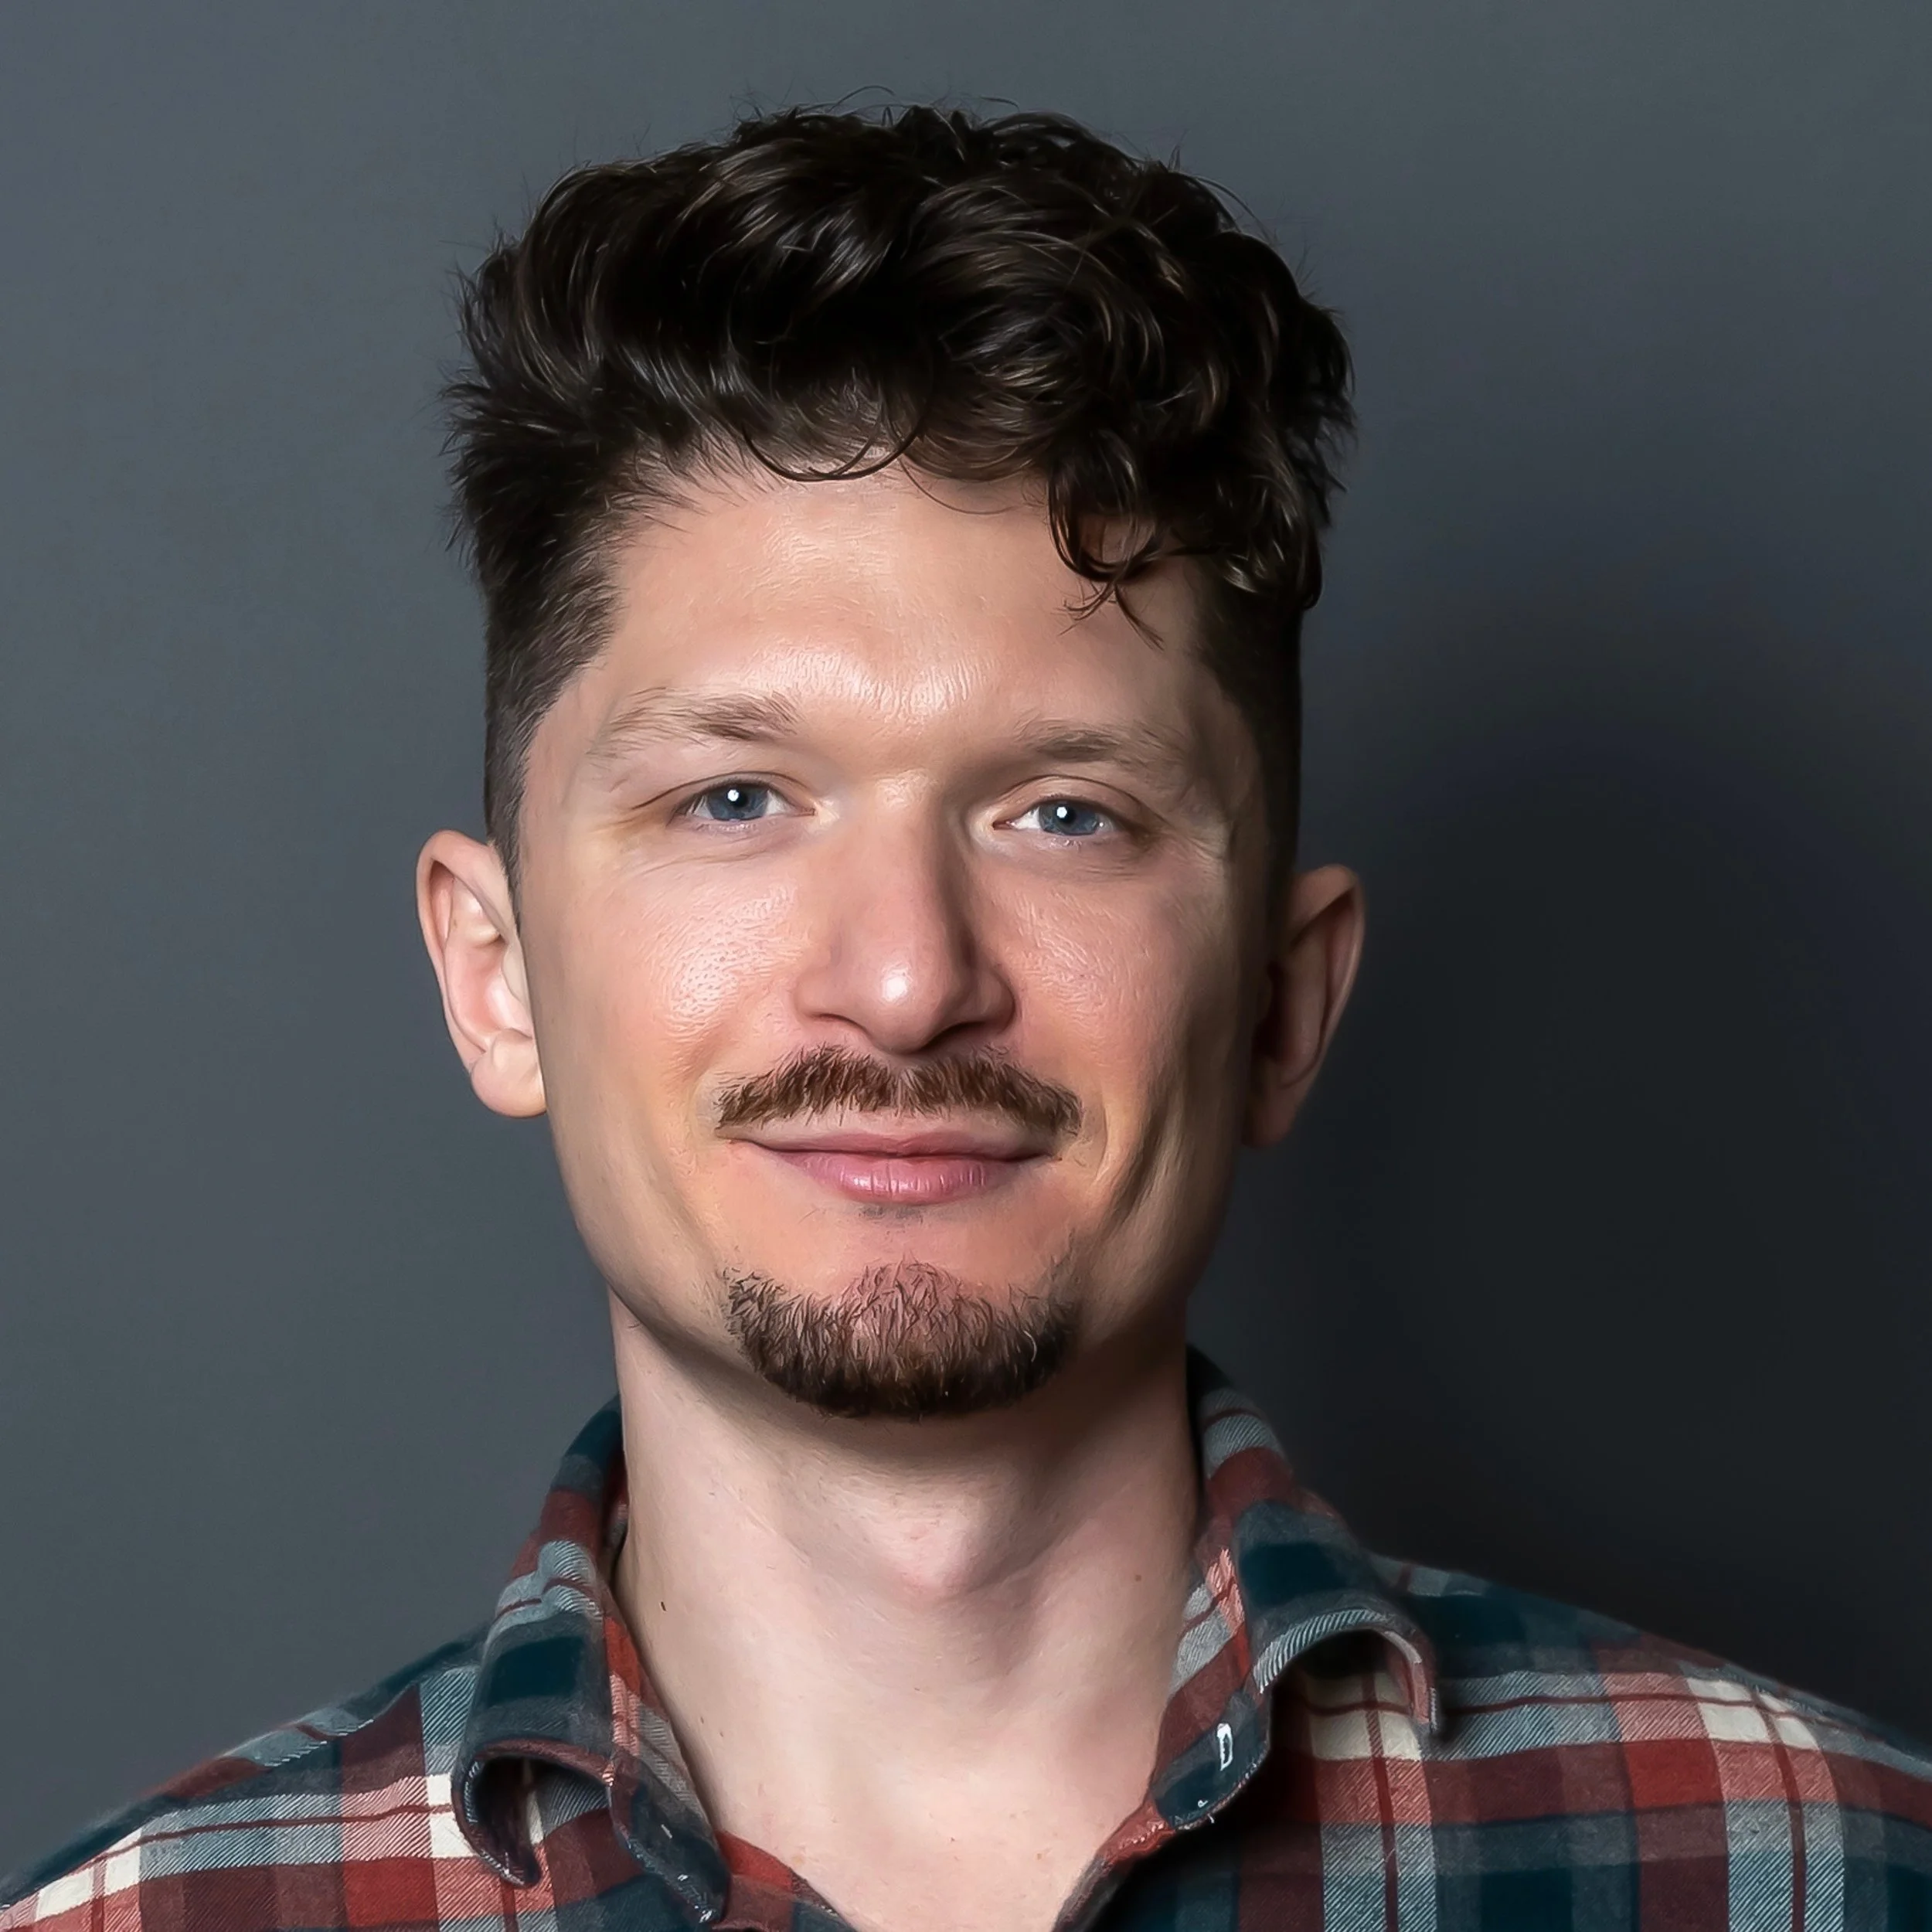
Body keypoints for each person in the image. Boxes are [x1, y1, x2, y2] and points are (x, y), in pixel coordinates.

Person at [5, 103, 1928, 1932]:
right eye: (735, 799)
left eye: (1063, 814)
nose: (908, 975)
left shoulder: (1819, 1878)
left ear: (1281, 998)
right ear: (491, 970)